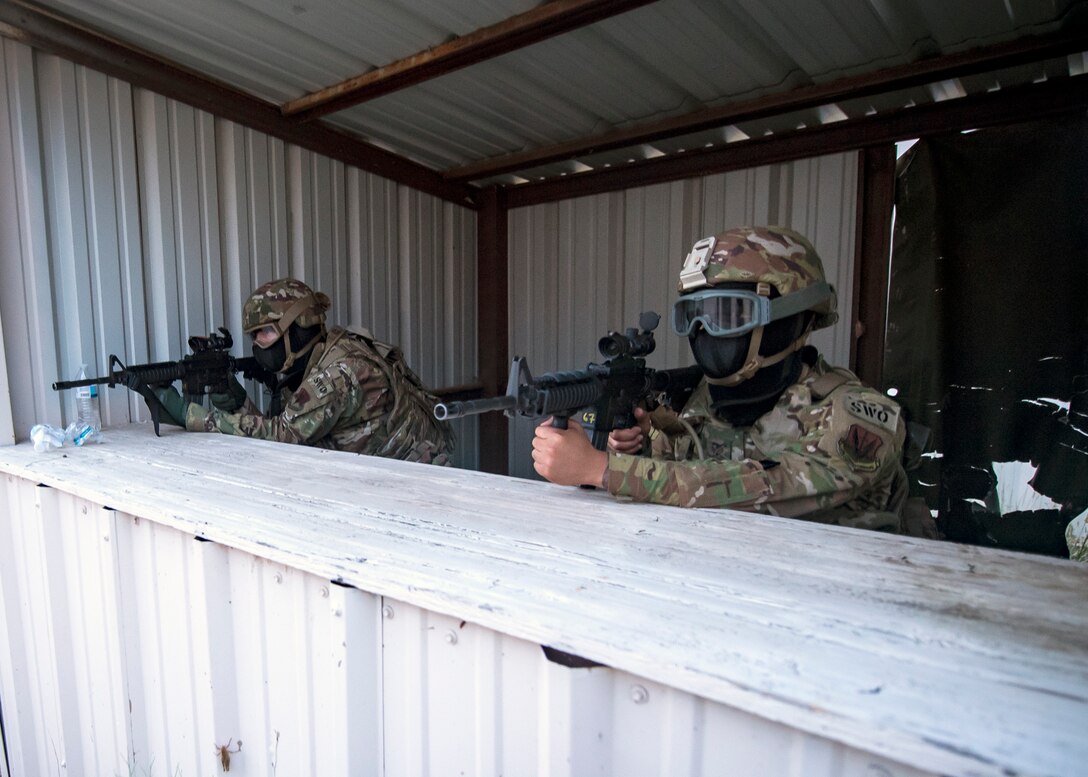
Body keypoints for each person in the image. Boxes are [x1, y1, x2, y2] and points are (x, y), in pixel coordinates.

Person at [531, 226, 908, 532]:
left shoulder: (857, 416)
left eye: (728, 313)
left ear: (797, 317)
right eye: (693, 315)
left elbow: (765, 489)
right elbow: (666, 484)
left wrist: (599, 469)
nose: (704, 330)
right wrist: (629, 447)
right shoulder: (700, 401)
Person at [153, 277, 454, 465]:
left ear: (298, 328)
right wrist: (230, 396)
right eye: (253, 336)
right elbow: (285, 430)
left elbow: (284, 437)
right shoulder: (331, 350)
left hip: (416, 485)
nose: (258, 344)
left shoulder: (339, 374)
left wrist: (190, 416)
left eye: (267, 332)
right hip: (394, 476)